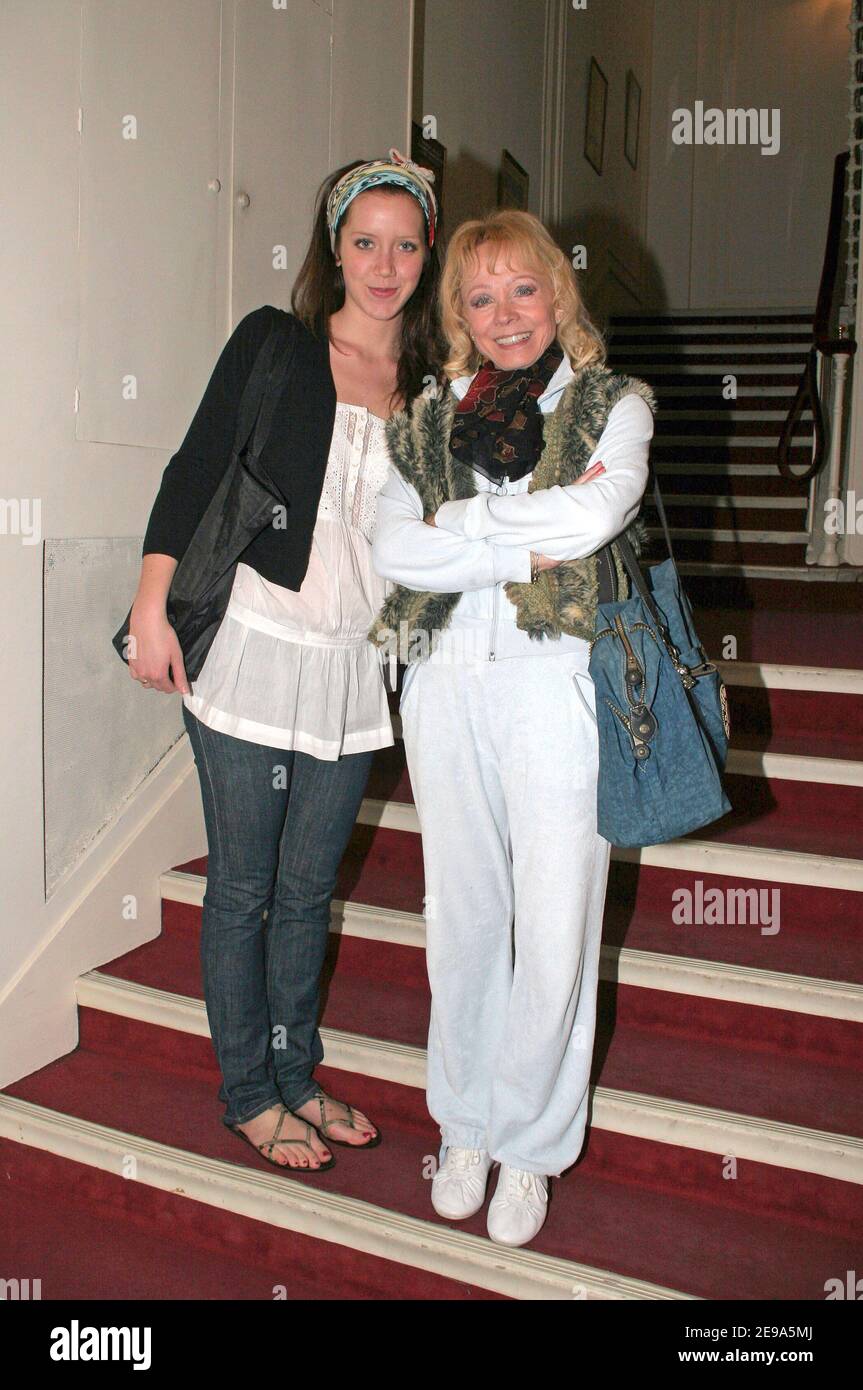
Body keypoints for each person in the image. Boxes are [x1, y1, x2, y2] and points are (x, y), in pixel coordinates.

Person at [127, 150, 442, 1172]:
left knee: (310, 893)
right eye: (363, 241)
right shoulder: (277, 344)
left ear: (426, 253)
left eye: (403, 243)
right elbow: (196, 463)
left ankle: (295, 1072)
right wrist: (149, 603)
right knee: (245, 887)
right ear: (333, 248)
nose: (382, 263)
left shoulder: (434, 386)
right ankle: (249, 1094)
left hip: (356, 665)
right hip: (252, 648)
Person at [370, 209, 655, 1245]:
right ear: (456, 312)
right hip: (442, 680)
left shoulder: (610, 402)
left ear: (557, 293)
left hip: (557, 685)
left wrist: (460, 526)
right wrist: (500, 544)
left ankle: (531, 1146)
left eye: (521, 290)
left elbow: (593, 515)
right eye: (479, 297)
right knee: (460, 920)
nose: (503, 315)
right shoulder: (422, 416)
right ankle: (466, 1125)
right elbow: (393, 546)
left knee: (554, 920)